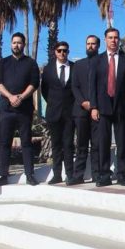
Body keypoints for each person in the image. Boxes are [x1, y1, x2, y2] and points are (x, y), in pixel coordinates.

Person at [0, 32, 40, 187]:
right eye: (14, 42)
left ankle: (30, 175)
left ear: (23, 45)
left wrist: (21, 97)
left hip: (24, 109)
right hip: (6, 109)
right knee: (4, 142)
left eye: (19, 43)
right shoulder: (2, 63)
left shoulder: (31, 63)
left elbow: (34, 83)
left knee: (26, 142)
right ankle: (2, 175)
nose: (16, 45)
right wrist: (10, 97)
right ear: (10, 44)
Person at [89, 27, 125, 187]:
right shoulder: (97, 60)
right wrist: (94, 107)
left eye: (116, 37)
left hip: (121, 106)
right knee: (103, 142)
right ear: (105, 40)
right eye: (110, 37)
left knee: (122, 142)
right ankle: (104, 175)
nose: (113, 40)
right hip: (102, 107)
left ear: (119, 39)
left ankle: (122, 175)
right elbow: (92, 85)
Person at [41, 41, 75, 184]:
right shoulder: (48, 69)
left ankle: (70, 175)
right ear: (55, 52)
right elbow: (44, 90)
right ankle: (57, 175)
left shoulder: (74, 67)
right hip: (54, 112)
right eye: (60, 50)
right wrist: (53, 103)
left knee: (68, 144)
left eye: (65, 51)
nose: (62, 53)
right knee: (56, 145)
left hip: (69, 112)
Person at [68, 35, 100, 185]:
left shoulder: (103, 63)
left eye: (93, 44)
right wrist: (83, 102)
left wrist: (93, 105)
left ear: (98, 46)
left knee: (97, 144)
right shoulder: (78, 64)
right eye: (88, 43)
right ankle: (78, 175)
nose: (90, 46)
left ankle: (97, 174)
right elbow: (74, 86)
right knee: (81, 145)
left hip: (97, 110)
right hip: (80, 111)